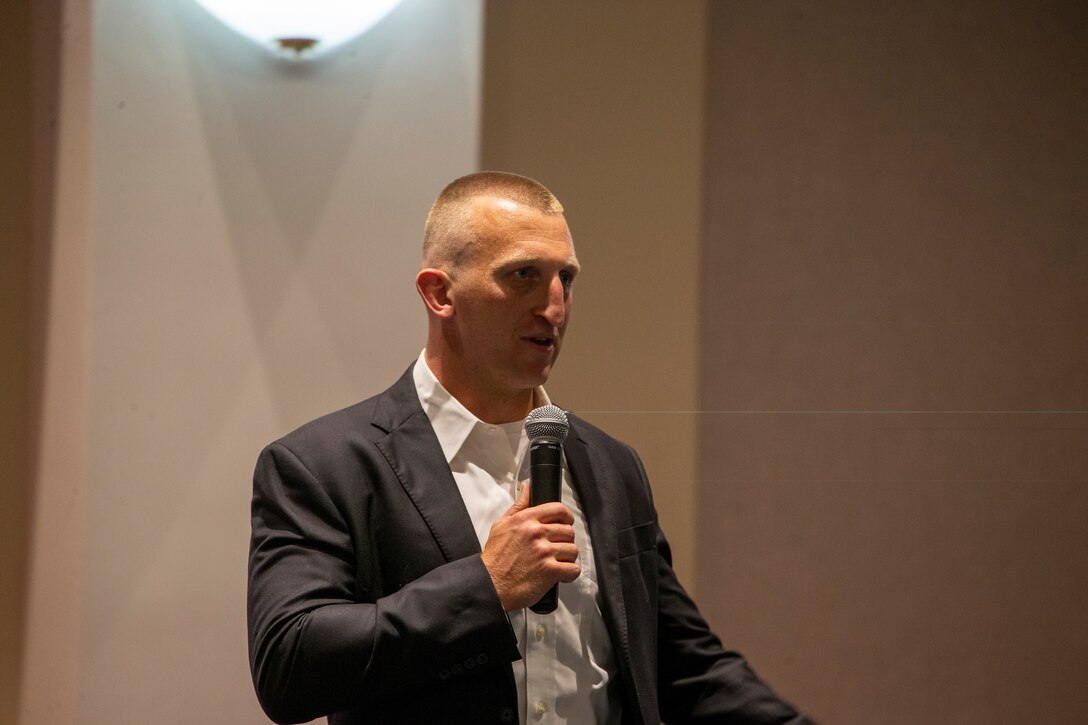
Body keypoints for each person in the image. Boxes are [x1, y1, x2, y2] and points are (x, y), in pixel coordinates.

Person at [247, 171, 811, 724]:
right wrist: (486, 586)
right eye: (523, 275)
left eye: (566, 278)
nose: (555, 306)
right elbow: (289, 666)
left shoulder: (611, 465)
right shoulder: (324, 465)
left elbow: (685, 668)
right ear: (439, 293)